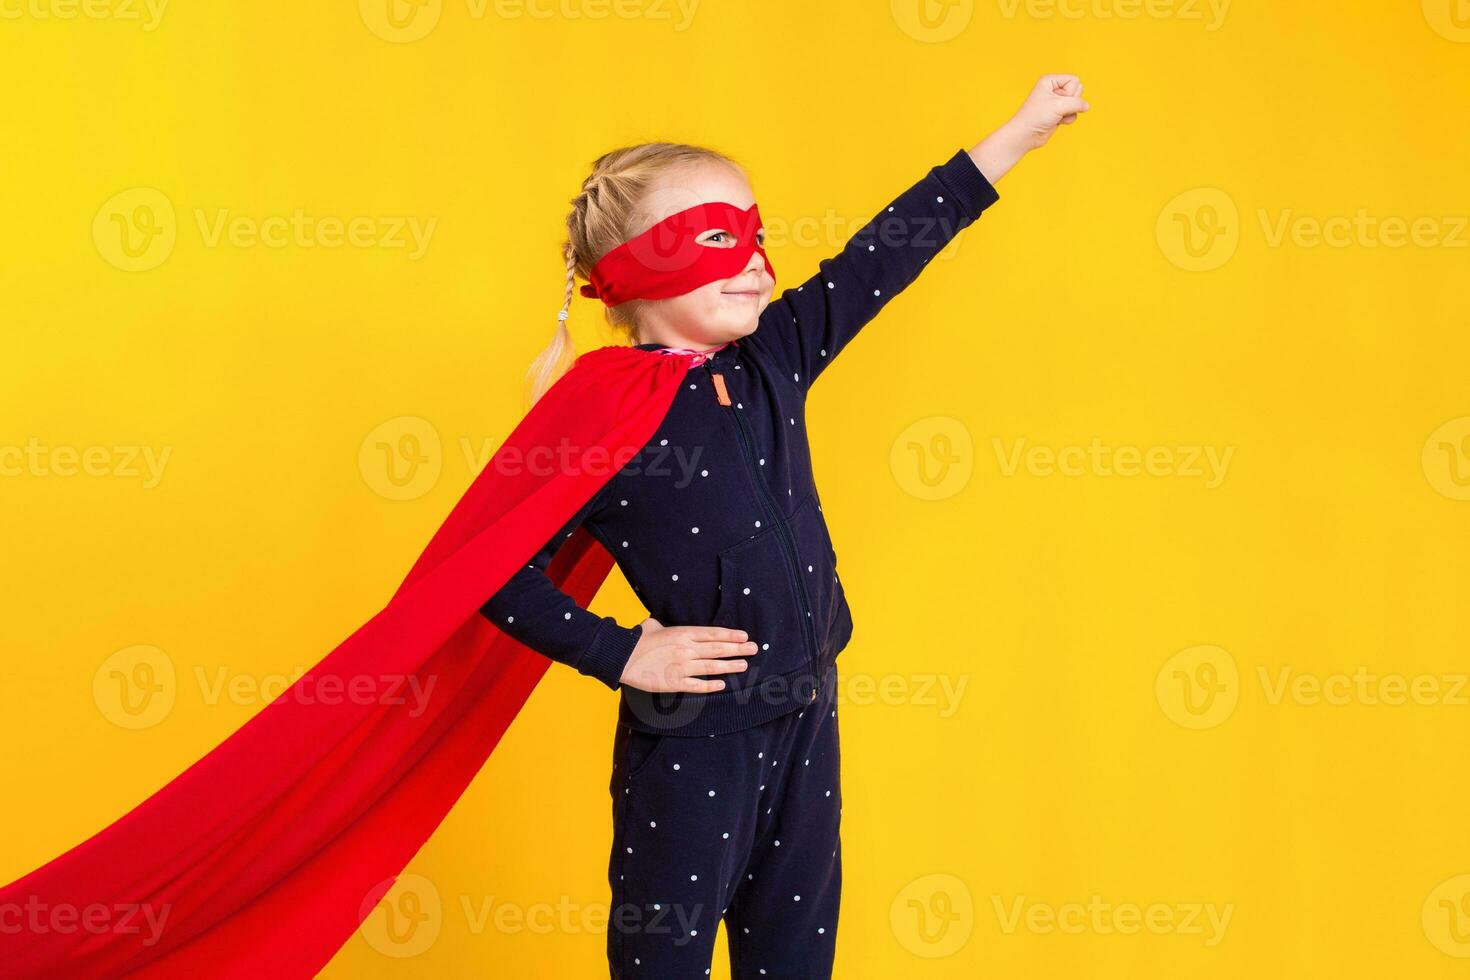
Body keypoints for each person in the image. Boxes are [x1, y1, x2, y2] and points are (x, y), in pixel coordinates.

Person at [480, 73, 1091, 979]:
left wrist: (1018, 134)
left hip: (808, 717)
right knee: (663, 962)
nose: (758, 260)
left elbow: (882, 254)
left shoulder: (776, 358)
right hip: (692, 741)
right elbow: (488, 572)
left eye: (756, 234)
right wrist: (622, 655)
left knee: (796, 958)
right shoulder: (598, 415)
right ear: (631, 271)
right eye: (719, 240)